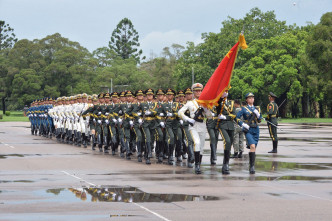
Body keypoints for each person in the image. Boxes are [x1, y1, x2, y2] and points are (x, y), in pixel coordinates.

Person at [178, 83, 213, 174]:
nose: (198, 92)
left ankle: (199, 165)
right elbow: (180, 112)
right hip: (193, 126)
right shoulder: (190, 103)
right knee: (196, 143)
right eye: (196, 91)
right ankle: (196, 165)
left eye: (200, 91)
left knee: (201, 147)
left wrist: (206, 110)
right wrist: (188, 119)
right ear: (193, 92)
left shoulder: (205, 103)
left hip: (202, 125)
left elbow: (209, 117)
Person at [235, 92, 262, 174]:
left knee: (253, 148)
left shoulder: (257, 108)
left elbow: (259, 120)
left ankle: (252, 164)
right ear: (246, 100)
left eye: (252, 98)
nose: (251, 99)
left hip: (256, 129)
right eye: (249, 98)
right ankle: (252, 167)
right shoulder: (243, 109)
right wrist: (242, 124)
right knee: (252, 146)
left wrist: (258, 115)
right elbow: (236, 118)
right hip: (248, 129)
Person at [216, 92, 235, 174]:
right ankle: (225, 164)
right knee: (226, 141)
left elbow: (234, 114)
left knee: (230, 143)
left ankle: (226, 162)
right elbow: (217, 107)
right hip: (222, 125)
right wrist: (221, 98)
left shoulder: (231, 103)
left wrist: (226, 117)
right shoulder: (218, 102)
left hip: (230, 125)